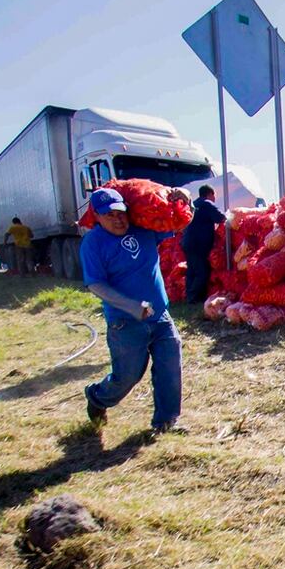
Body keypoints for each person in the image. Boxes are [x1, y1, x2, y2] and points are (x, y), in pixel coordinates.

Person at [81, 186, 191, 435]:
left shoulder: (144, 229)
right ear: (97, 216)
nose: (118, 219)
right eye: (109, 215)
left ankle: (166, 422)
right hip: (125, 323)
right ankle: (98, 397)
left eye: (121, 213)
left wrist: (186, 201)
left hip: (160, 316)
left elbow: (179, 224)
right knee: (128, 376)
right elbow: (95, 284)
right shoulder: (93, 243)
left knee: (170, 366)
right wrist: (131, 306)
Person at [180, 184, 226, 304]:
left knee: (192, 270)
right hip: (199, 243)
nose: (215, 198)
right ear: (209, 194)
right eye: (214, 195)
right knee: (202, 271)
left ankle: (189, 296)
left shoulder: (193, 204)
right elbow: (220, 217)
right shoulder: (207, 204)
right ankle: (193, 298)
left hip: (187, 242)